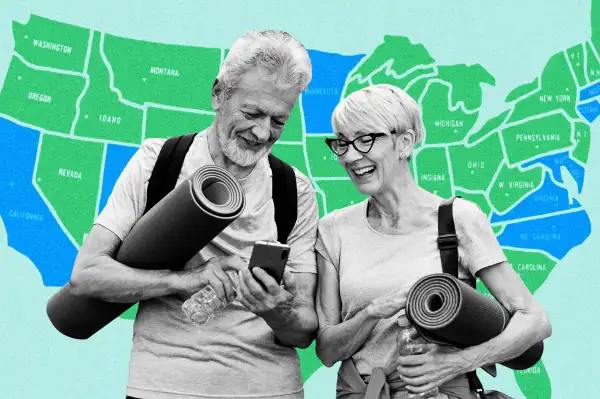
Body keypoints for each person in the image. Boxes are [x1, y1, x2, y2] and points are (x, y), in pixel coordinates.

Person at [69, 30, 319, 399]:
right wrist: (184, 280)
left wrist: (277, 312)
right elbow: (86, 277)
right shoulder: (159, 163)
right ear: (219, 94)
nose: (262, 131)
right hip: (163, 387)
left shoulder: (294, 191)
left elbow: (304, 330)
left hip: (270, 389)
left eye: (279, 121)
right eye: (252, 113)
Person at [314, 84, 552, 398]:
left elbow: (535, 321)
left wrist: (457, 363)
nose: (351, 155)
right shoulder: (333, 229)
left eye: (365, 139)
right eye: (342, 143)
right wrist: (375, 310)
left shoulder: (458, 219)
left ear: (405, 142)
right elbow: (327, 351)